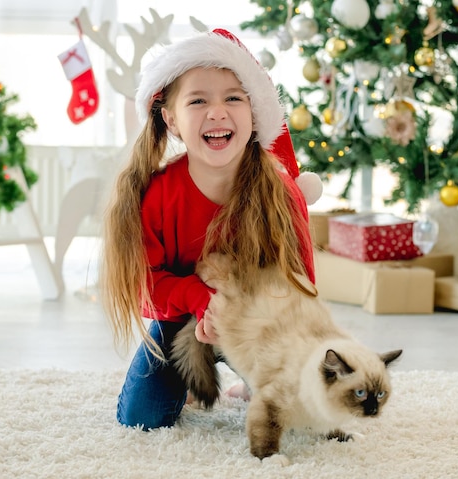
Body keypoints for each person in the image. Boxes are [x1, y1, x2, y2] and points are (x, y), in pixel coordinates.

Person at [100, 28, 323, 431]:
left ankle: (253, 381)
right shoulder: (156, 195)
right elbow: (143, 286)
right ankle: (189, 382)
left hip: (263, 321)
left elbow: (301, 283)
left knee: (306, 415)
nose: (217, 112)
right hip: (181, 320)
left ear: (253, 114)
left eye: (233, 98)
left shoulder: (280, 193)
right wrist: (201, 301)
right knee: (142, 419)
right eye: (198, 100)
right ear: (171, 119)